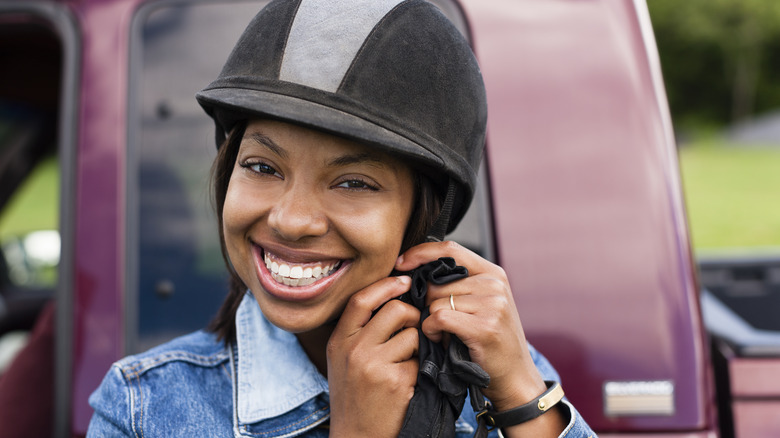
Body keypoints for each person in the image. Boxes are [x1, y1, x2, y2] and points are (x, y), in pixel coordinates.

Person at [88, 0, 597, 436]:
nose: (291, 220)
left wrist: (523, 396)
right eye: (262, 167)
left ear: (425, 223)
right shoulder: (142, 408)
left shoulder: (496, 370)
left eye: (353, 183)